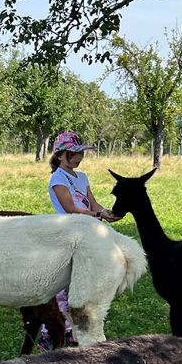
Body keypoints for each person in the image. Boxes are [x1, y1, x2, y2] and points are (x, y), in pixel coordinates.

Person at [42, 131, 117, 349]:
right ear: (60, 154)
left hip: (89, 233)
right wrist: (98, 215)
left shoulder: (81, 177)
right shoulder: (58, 178)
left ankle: (79, 329)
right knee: (66, 285)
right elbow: (70, 208)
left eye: (80, 153)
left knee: (85, 284)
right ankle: (54, 333)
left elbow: (92, 203)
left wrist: (106, 212)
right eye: (74, 153)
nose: (79, 157)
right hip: (70, 233)